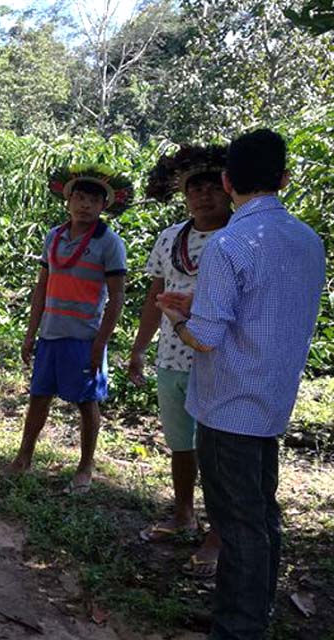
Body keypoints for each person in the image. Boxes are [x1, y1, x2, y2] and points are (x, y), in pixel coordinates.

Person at [157, 129, 324, 640]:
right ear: (285, 179)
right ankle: (249, 609)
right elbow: (262, 312)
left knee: (239, 522)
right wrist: (198, 307)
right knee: (261, 513)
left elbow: (206, 339)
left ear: (228, 182)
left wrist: (179, 317)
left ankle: (239, 626)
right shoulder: (306, 239)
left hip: (228, 402)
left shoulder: (230, 244)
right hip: (270, 398)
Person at [130, 146, 230, 577]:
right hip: (171, 354)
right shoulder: (171, 237)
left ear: (229, 190)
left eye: (212, 187)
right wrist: (138, 347)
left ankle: (219, 531)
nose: (204, 196)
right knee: (180, 441)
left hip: (218, 357)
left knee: (218, 448)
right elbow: (155, 296)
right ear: (183, 195)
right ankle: (183, 512)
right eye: (195, 188)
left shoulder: (238, 238)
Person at [5, 165, 131, 494]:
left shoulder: (110, 242)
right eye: (79, 197)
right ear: (68, 201)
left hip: (84, 336)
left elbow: (117, 296)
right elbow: (41, 288)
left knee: (87, 402)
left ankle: (85, 467)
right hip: (51, 333)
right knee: (39, 397)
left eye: (93, 199)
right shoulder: (54, 236)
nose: (85, 205)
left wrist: (100, 343)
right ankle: (23, 457)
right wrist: (31, 333)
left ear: (104, 206)